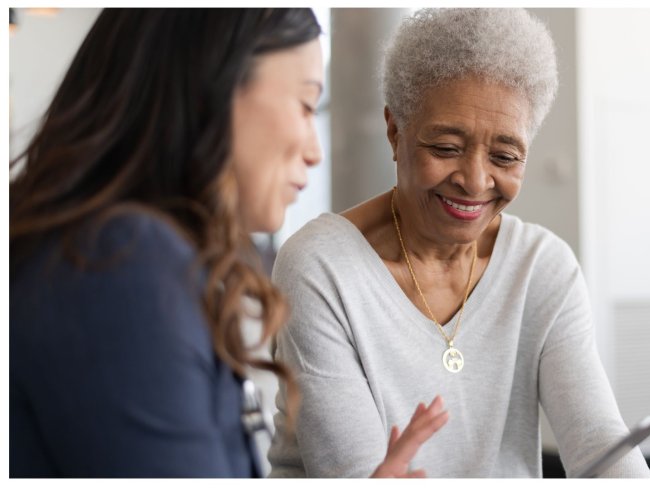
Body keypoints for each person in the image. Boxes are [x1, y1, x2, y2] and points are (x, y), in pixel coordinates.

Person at [9, 8, 446, 478]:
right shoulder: (121, 264)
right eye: (304, 104)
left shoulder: (114, 253)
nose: (314, 151)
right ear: (213, 88)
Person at [268, 8, 650, 478]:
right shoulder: (322, 267)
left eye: (504, 156)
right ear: (395, 131)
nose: (475, 181)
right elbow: (358, 473)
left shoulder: (542, 267)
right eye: (446, 148)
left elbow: (599, 443)